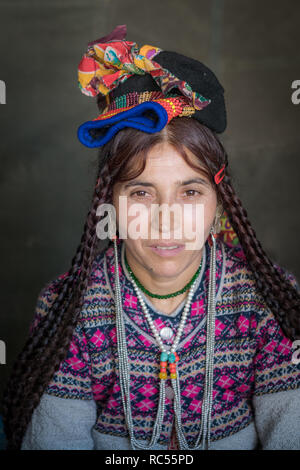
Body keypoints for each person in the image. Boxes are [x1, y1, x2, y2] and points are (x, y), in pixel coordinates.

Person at [2, 25, 300, 450]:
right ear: (111, 202)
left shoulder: (269, 299)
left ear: (219, 203)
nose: (167, 219)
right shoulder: (68, 308)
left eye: (191, 192)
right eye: (141, 193)